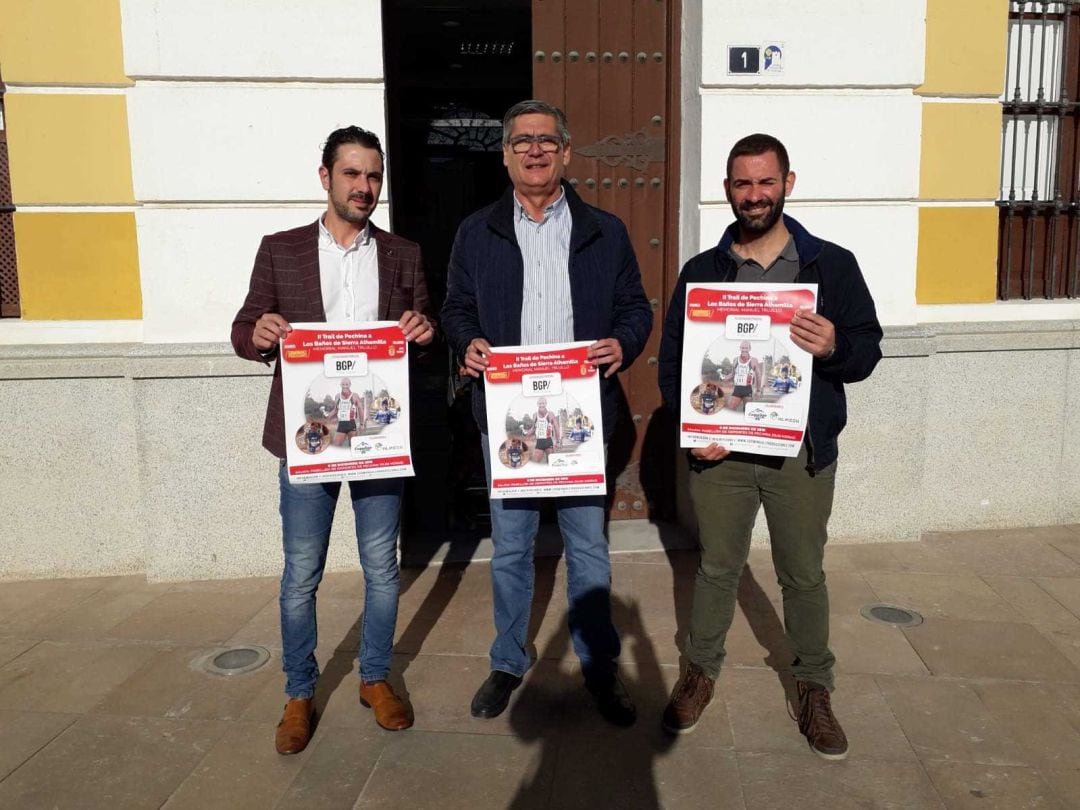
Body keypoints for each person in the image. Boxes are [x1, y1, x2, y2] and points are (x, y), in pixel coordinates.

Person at [657, 133, 882, 760]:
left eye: (765, 182)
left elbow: (867, 351)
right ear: (727, 189)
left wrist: (835, 344)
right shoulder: (703, 272)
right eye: (741, 184)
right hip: (722, 457)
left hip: (799, 455)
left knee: (803, 575)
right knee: (716, 569)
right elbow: (676, 364)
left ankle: (814, 686)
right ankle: (700, 672)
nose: (754, 195)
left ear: (787, 183)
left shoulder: (830, 266)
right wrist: (695, 432)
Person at [441, 99, 653, 727]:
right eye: (521, 141)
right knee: (510, 547)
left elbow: (634, 308)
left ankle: (597, 664)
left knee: (588, 547)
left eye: (546, 141)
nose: (534, 151)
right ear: (505, 155)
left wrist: (626, 341)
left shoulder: (604, 230)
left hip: (579, 418)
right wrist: (467, 342)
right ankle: (508, 660)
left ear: (565, 152)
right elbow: (455, 308)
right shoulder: (476, 232)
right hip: (507, 417)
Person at [231, 125, 434, 754]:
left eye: (373, 176)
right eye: (352, 174)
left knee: (381, 568)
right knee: (301, 575)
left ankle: (374, 677)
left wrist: (425, 333)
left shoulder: (403, 253)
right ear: (326, 177)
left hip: (376, 438)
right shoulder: (281, 249)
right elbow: (243, 328)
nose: (365, 187)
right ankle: (299, 691)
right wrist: (258, 333)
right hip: (308, 440)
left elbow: (423, 343)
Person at [322, 377, 366, 445]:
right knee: (336, 445)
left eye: (347, 384)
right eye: (343, 384)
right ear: (340, 385)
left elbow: (360, 410)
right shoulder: (337, 396)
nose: (345, 386)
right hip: (341, 425)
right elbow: (335, 410)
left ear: (350, 385)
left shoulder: (355, 396)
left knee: (353, 447)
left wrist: (362, 424)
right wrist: (328, 415)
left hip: (351, 424)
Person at [723, 340, 762, 410]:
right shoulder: (735, 360)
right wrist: (725, 378)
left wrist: (758, 390)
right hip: (737, 389)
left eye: (746, 348)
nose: (744, 350)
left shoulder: (754, 360)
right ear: (740, 348)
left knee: (747, 411)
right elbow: (733, 374)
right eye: (742, 348)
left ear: (749, 349)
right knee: (730, 408)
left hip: (747, 389)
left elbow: (758, 375)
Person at [526, 397, 561, 462]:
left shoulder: (551, 414)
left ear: (546, 404)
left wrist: (558, 441)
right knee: (536, 462)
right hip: (539, 442)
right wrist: (527, 433)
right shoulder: (534, 415)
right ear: (537, 404)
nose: (541, 405)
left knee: (551, 463)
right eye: (540, 403)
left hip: (548, 441)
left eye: (543, 403)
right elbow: (534, 428)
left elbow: (556, 428)